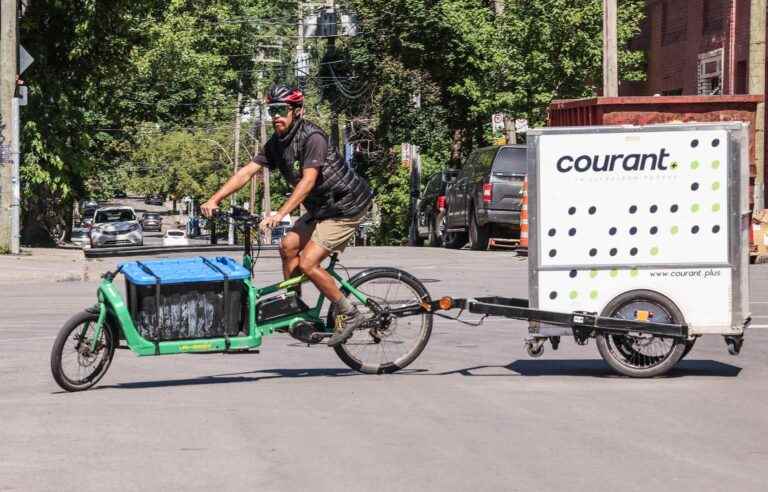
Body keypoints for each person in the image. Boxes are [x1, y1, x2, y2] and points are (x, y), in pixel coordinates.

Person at [201, 85, 373, 346]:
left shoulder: (312, 136)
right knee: (288, 244)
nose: (276, 116)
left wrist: (279, 214)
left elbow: (307, 182)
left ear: (298, 111)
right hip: (321, 208)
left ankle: (350, 313)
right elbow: (247, 172)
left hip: (345, 206)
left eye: (282, 110)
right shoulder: (277, 144)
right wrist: (215, 198)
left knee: (308, 264)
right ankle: (294, 306)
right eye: (272, 111)